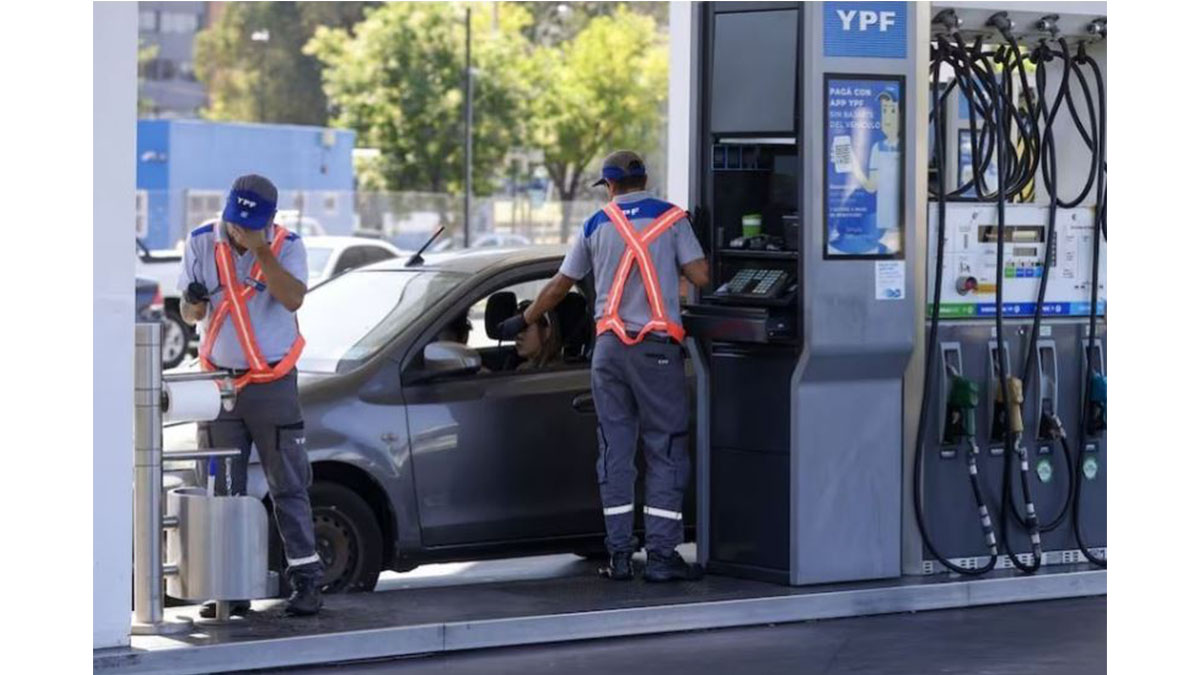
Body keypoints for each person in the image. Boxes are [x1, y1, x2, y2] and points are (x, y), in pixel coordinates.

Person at [497, 150, 711, 582]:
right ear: (645, 179)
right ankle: (663, 556)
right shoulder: (671, 219)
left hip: (609, 350)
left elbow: (560, 286)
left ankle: (618, 556)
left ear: (609, 186)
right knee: (664, 447)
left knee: (615, 450)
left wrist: (525, 318)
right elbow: (702, 276)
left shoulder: (595, 225)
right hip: (655, 351)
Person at [178, 174, 323, 617]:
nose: (239, 230)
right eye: (234, 220)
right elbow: (188, 314)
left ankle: (307, 584)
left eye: (250, 223)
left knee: (288, 485)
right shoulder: (201, 241)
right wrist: (193, 304)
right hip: (219, 388)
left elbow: (293, 299)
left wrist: (261, 249)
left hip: (273, 387)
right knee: (223, 490)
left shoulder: (287, 245)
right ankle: (230, 588)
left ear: (270, 219)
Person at [512, 299, 563, 371]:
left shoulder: (554, 373)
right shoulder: (524, 368)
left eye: (525, 328)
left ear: (546, 331)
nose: (518, 335)